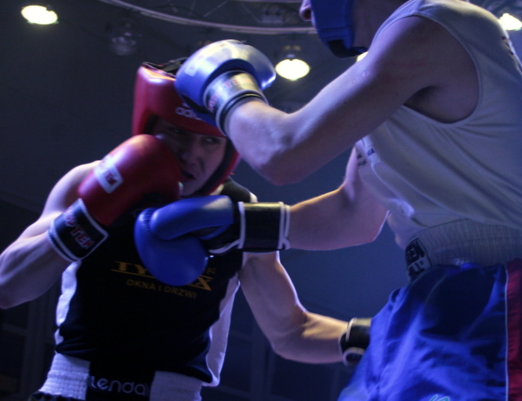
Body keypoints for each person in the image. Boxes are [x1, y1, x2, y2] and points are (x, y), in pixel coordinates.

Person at [162, 0, 522, 399]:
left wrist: (225, 86)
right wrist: (240, 225)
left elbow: (281, 153)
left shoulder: (434, 23)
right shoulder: (383, 62)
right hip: (430, 295)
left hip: (500, 287)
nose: (305, 9)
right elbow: (353, 214)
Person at [0, 59, 371, 401]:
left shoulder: (240, 213)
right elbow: (7, 286)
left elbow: (292, 332)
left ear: (230, 148)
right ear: (150, 126)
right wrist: (91, 215)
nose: (191, 153)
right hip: (72, 390)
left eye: (209, 140)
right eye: (176, 132)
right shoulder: (93, 181)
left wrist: (380, 337)